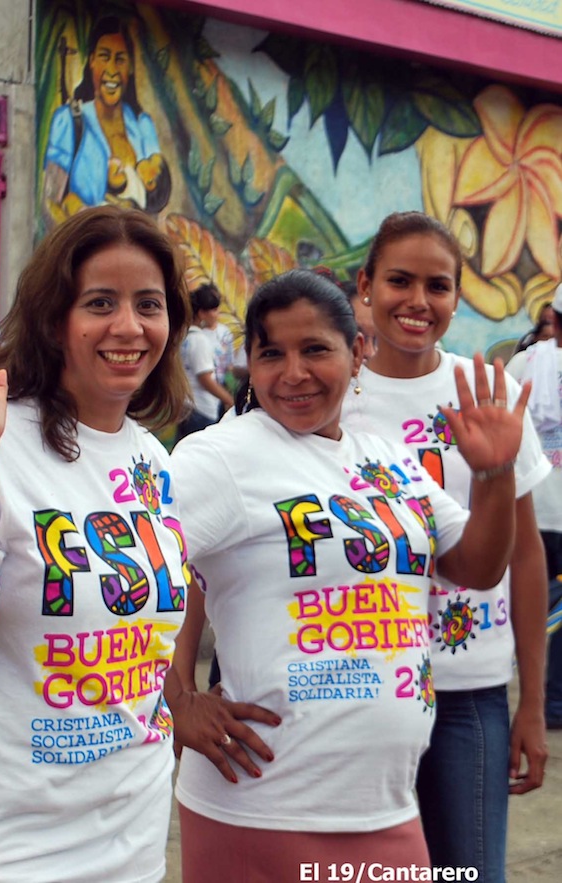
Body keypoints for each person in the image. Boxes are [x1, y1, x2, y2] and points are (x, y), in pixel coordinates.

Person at [165, 268, 530, 881]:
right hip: (263, 808)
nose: (293, 373)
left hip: (387, 806)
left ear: (357, 352)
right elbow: (134, 580)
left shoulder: (387, 462)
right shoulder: (222, 457)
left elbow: (476, 566)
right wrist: (175, 700)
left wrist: (495, 475)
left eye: (315, 350)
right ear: (248, 364)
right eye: (271, 354)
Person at [0, 206, 191, 883]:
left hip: (130, 837)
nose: (129, 326)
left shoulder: (151, 460)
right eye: (100, 303)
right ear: (55, 319)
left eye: (149, 304)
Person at [341, 211, 550, 883]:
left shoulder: (495, 394)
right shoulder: (327, 393)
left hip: (468, 696)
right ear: (366, 284)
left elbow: (524, 556)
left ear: (457, 297)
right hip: (354, 692)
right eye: (400, 280)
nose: (418, 301)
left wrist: (533, 703)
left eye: (439, 285)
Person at [42, 14, 170, 229]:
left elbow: (154, 211)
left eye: (120, 59)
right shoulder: (69, 120)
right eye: (104, 56)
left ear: (129, 67)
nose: (112, 70)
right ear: (91, 61)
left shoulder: (143, 125)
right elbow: (49, 204)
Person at [508, 283, 562, 730]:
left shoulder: (523, 364)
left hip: (529, 507)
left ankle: (507, 673)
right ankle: (556, 704)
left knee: (527, 602)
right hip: (548, 508)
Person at [177, 284, 234, 440]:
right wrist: (230, 400)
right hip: (201, 410)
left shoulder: (186, 337)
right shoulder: (199, 340)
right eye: (214, 310)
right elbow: (205, 379)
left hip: (189, 407)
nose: (217, 314)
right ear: (202, 313)